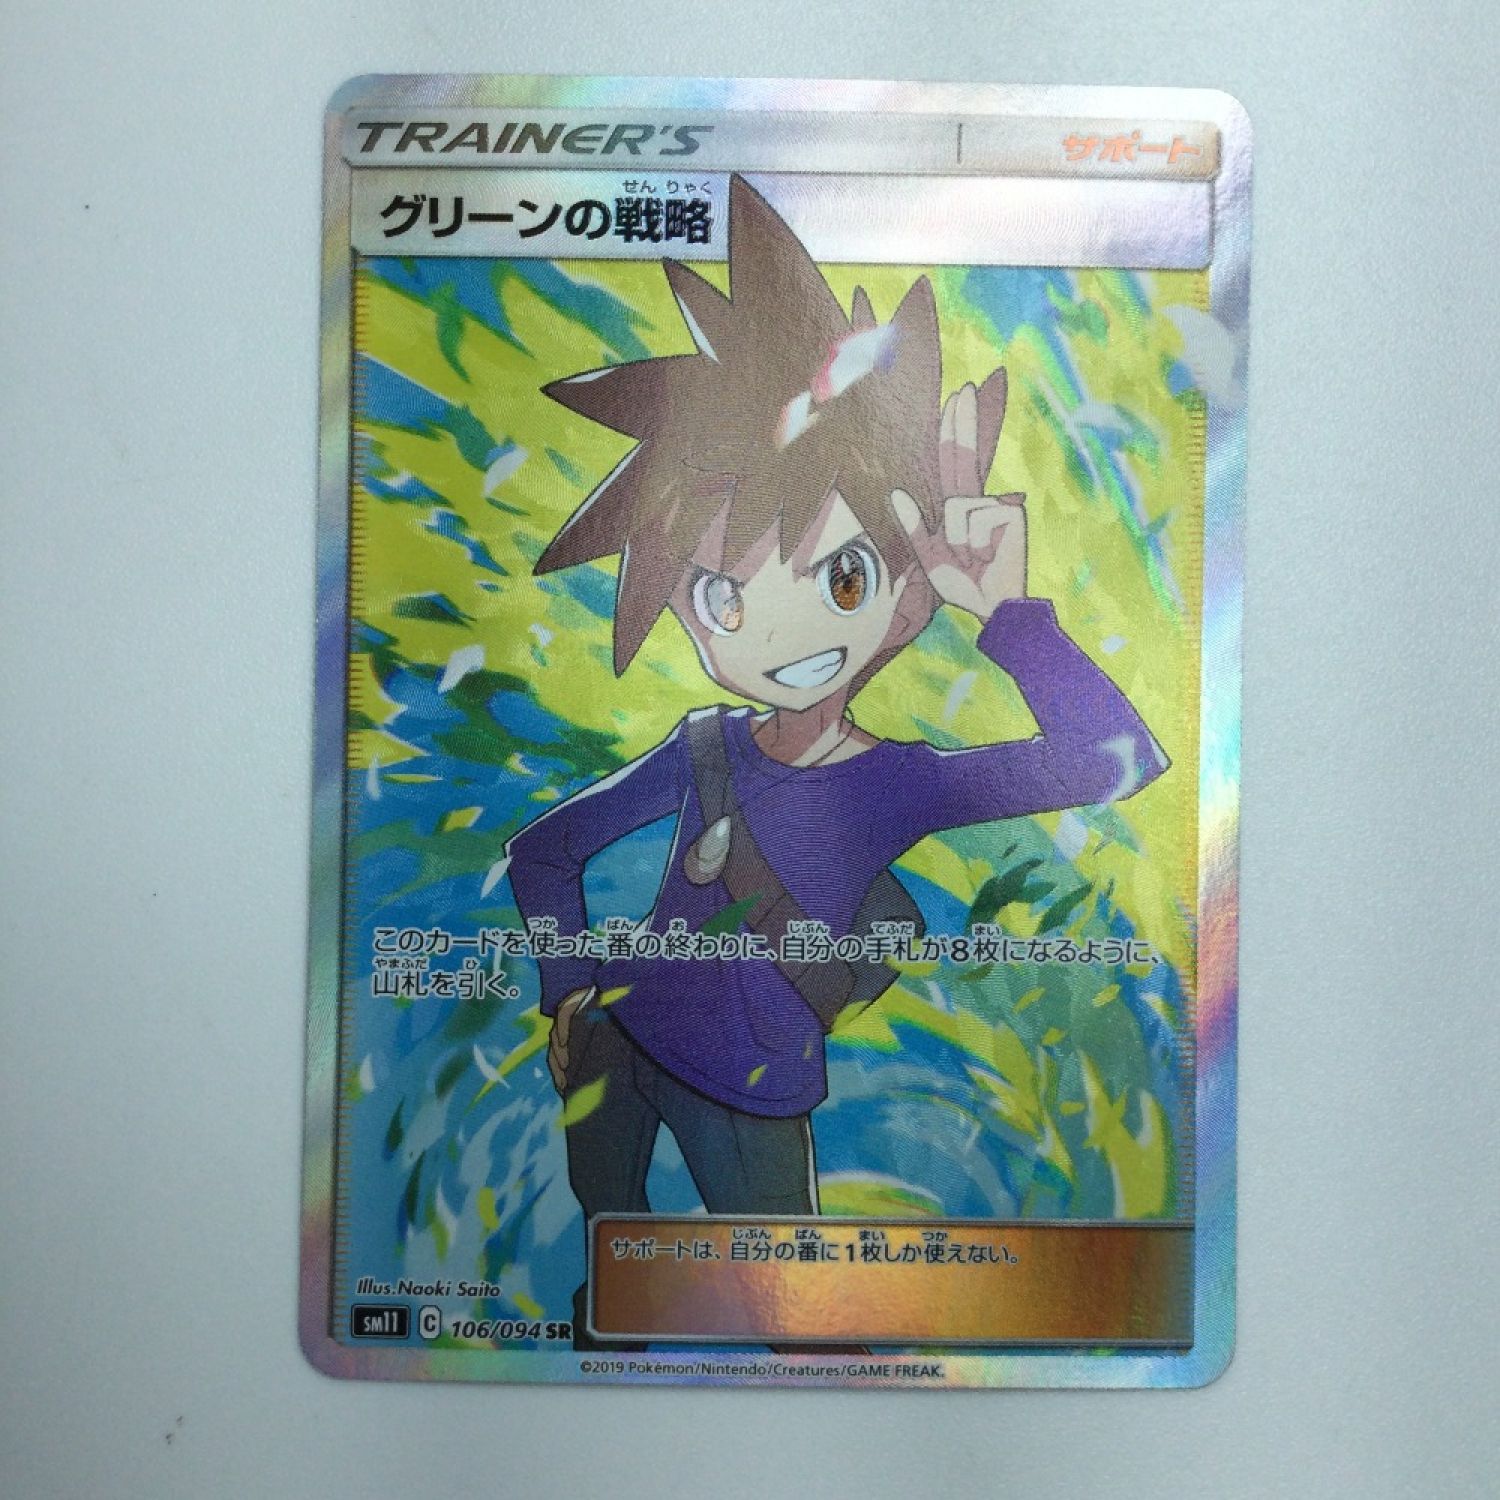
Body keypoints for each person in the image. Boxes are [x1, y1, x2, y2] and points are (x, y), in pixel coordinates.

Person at [501, 175, 1167, 1346]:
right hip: (615, 1043)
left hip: (753, 1095)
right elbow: (543, 852)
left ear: (904, 597)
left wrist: (1010, 615)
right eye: (723, 597)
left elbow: (1115, 761)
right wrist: (567, 989)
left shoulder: (898, 781)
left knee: (800, 1332)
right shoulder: (701, 745)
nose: (773, 631)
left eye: (840, 578)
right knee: (611, 1295)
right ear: (689, 613)